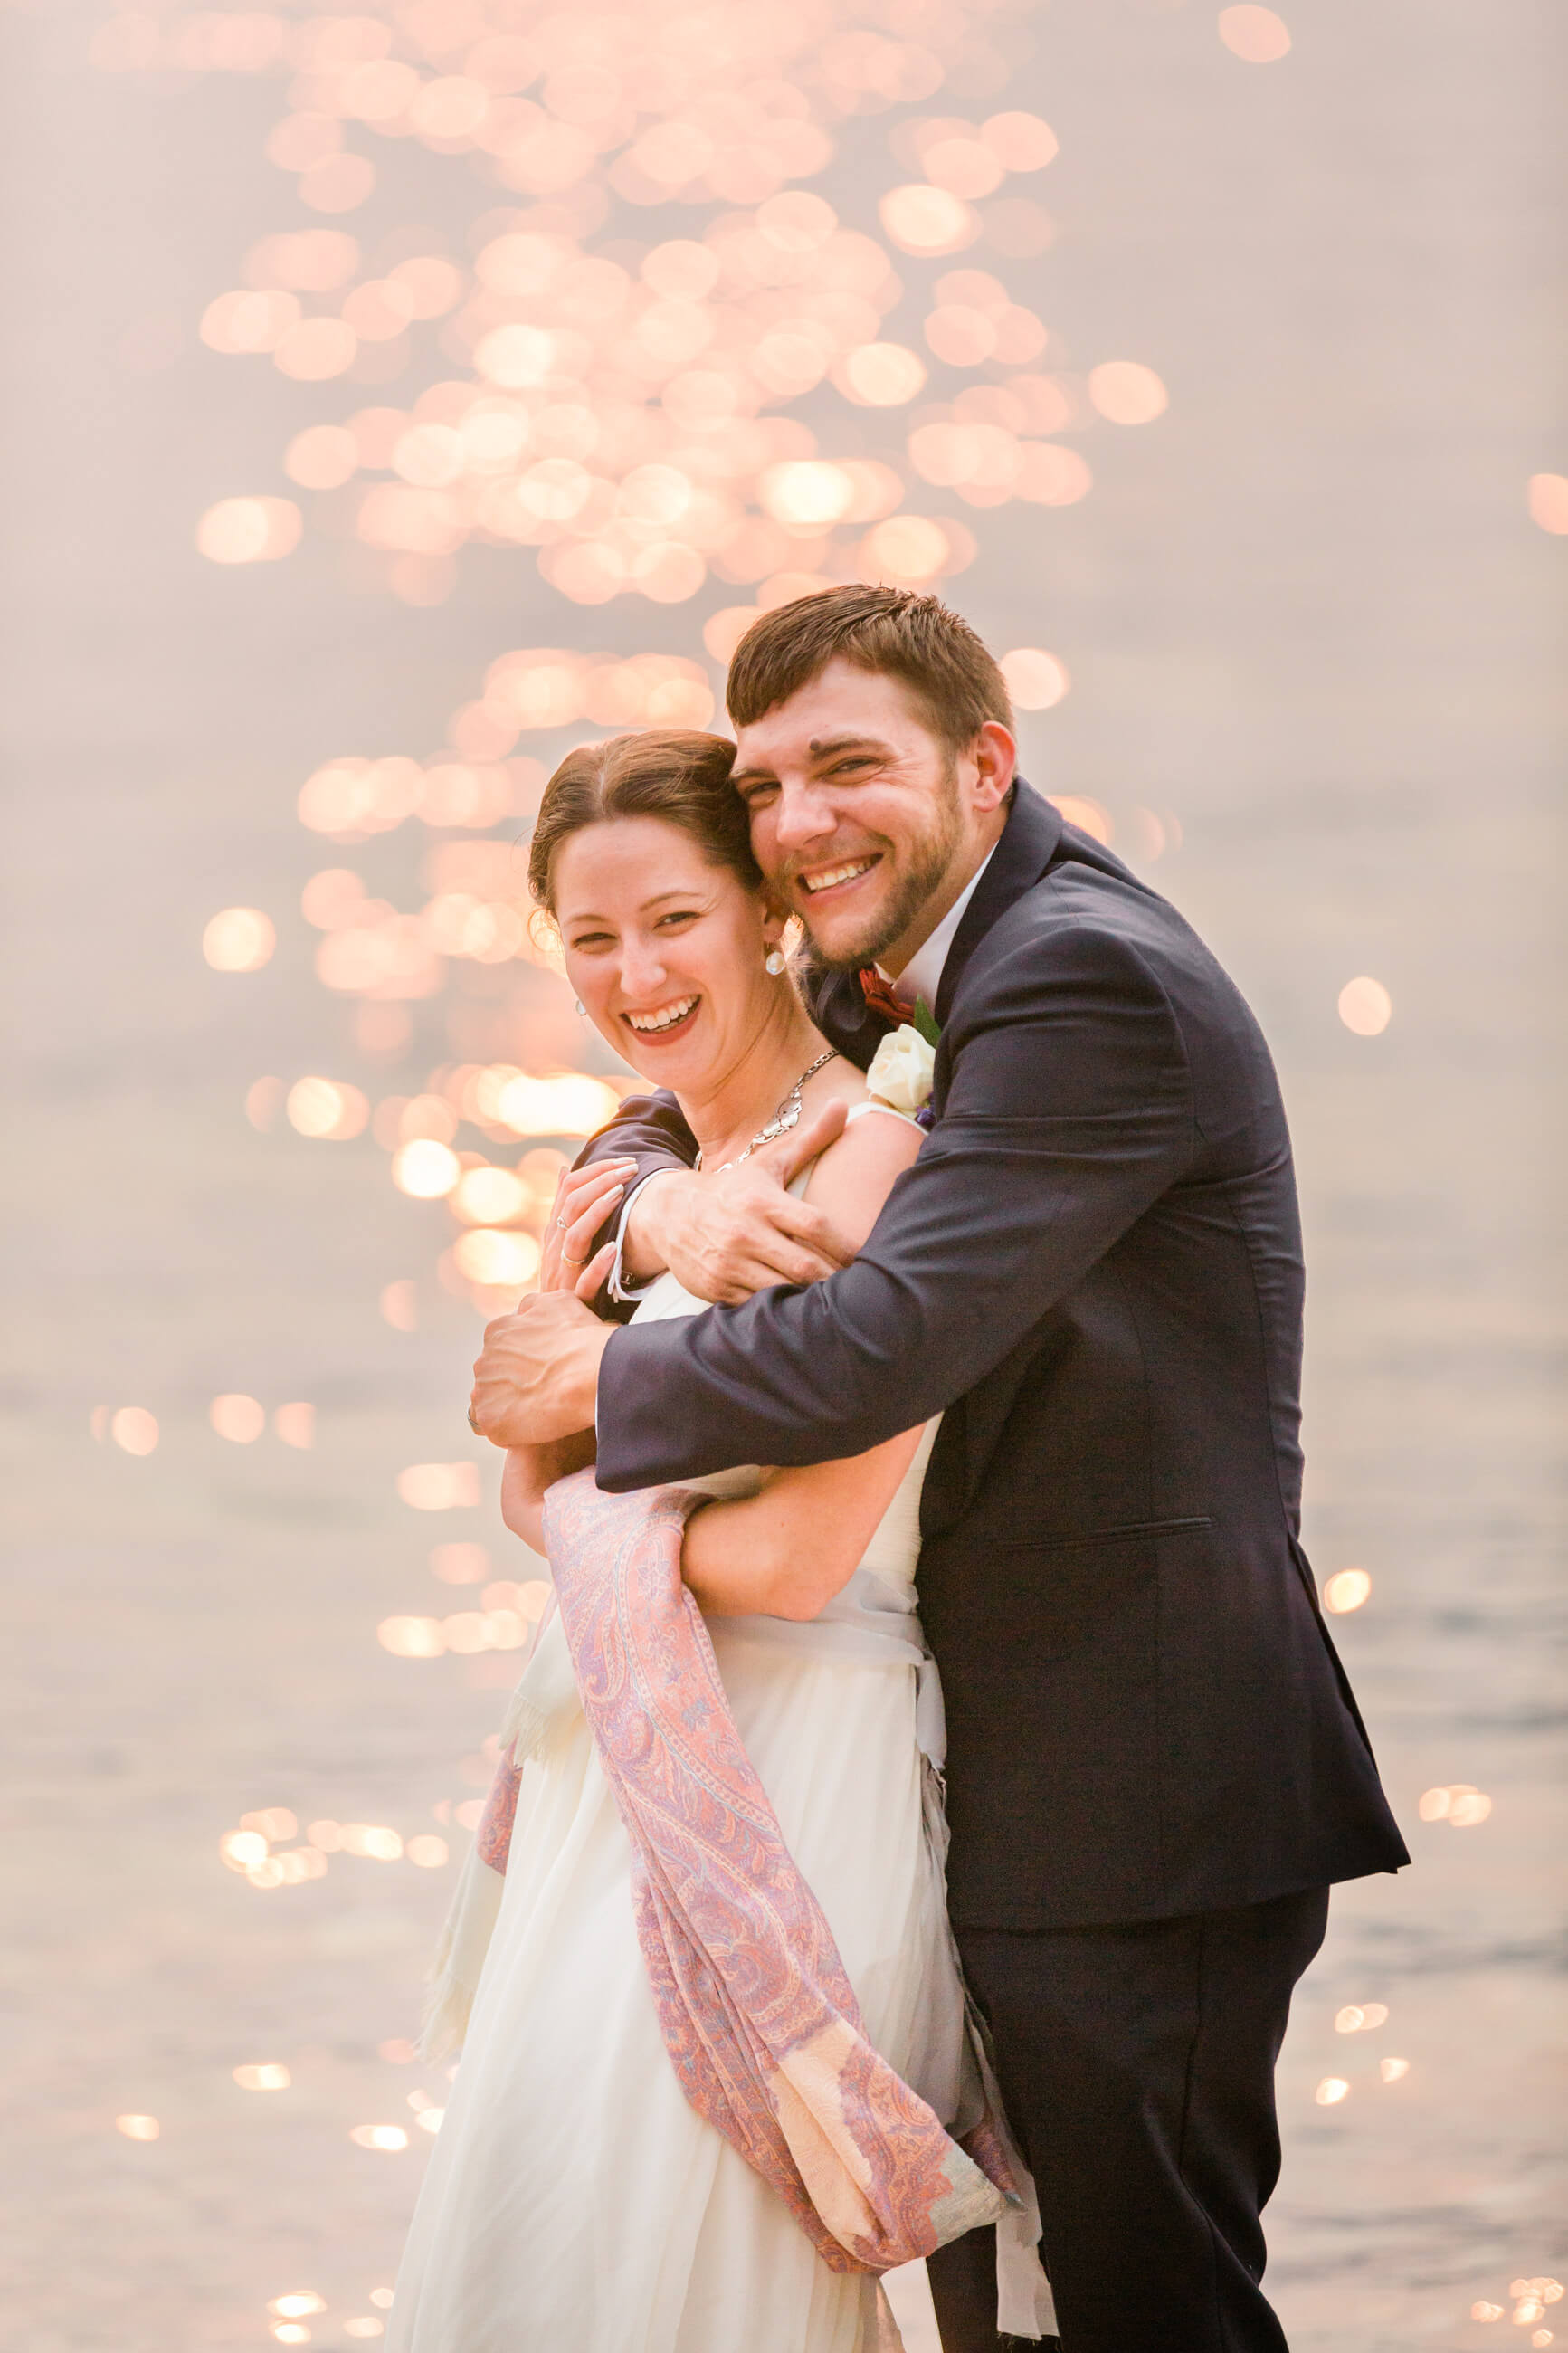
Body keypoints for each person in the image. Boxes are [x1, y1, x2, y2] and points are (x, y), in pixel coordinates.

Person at [470, 585, 1411, 2353]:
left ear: (985, 761)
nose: (802, 821)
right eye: (765, 784)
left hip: (1144, 1782)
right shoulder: (899, 939)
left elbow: (878, 1347)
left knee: (1147, 2307)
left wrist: (598, 1370)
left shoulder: (1081, 975)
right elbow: (706, 1056)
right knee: (1009, 2321)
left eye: (847, 765)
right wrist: (652, 1193)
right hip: (983, 1773)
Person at [391, 727, 1046, 2353]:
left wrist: (587, 1509)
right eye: (591, 937)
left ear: (765, 912)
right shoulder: (644, 1180)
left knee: (677, 2270)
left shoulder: (875, 1161)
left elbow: (795, 1561)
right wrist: (588, 1496)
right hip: (610, 1778)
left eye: (674, 918)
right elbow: (516, 1486)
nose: (635, 974)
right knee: (545, 2249)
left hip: (791, 1775)